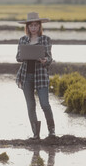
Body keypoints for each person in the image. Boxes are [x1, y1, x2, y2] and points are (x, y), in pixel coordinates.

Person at [16, 12, 55, 140]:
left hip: (41, 76)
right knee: (31, 105)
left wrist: (45, 61)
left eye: (36, 25)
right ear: (27, 27)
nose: (33, 28)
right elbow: (18, 57)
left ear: (39, 26)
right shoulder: (23, 40)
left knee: (45, 104)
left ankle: (51, 132)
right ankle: (35, 134)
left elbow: (49, 58)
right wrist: (22, 56)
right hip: (26, 76)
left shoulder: (45, 39)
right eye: (31, 25)